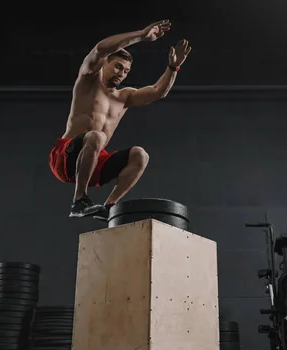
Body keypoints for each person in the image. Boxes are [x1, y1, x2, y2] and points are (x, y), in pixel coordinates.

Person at [48, 20, 192, 219]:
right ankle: (79, 202)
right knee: (96, 137)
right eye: (117, 67)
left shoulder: (124, 97)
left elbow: (158, 92)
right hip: (65, 158)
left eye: (125, 71)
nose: (121, 74)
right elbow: (100, 49)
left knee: (140, 155)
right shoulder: (89, 79)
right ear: (105, 63)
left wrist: (173, 67)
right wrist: (142, 35)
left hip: (92, 163)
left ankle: (109, 208)